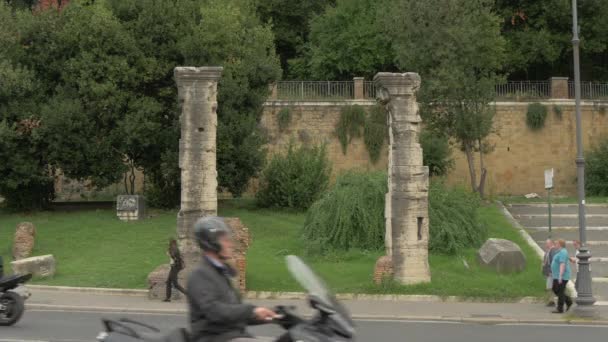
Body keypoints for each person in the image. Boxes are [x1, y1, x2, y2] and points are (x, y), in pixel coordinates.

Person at [188, 216, 278, 342]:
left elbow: (235, 313)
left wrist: (272, 315)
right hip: (213, 338)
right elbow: (214, 311)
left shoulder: (221, 273)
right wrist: (251, 310)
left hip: (233, 336)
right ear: (211, 242)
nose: (230, 244)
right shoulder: (200, 275)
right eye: (225, 240)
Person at [551, 239, 573, 313]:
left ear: (560, 244)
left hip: (562, 276)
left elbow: (562, 264)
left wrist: (560, 275)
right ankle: (568, 301)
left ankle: (560, 309)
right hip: (556, 276)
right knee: (555, 289)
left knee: (560, 291)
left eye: (556, 243)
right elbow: (565, 256)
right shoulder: (561, 251)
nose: (555, 245)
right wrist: (570, 259)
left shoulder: (563, 252)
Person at [164, 238, 187, 302]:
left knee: (175, 284)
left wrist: (169, 254)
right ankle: (167, 298)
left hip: (175, 267)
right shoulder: (174, 248)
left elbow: (174, 257)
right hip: (174, 267)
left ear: (171, 243)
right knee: (168, 282)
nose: (168, 243)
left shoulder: (174, 249)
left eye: (169, 242)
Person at [542, 239, 557, 306]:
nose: (546, 244)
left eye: (547, 243)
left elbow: (553, 262)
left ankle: (552, 301)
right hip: (549, 272)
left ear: (551, 243)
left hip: (552, 272)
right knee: (550, 287)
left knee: (550, 287)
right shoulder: (549, 251)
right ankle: (551, 300)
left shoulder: (552, 251)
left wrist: (552, 271)